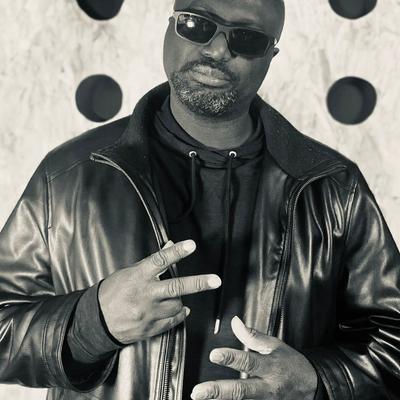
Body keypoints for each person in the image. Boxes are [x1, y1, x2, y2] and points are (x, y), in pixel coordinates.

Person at [0, 0, 399, 399]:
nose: (218, 49)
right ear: (170, 26)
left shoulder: (332, 186)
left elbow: (392, 344)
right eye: (196, 24)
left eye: (247, 38)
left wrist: (315, 382)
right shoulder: (68, 175)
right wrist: (92, 323)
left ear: (271, 56)